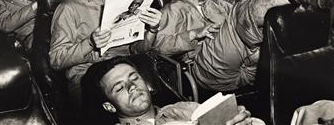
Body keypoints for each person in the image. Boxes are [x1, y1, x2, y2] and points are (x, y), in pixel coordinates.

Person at [153, 0, 333, 92]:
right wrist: (193, 34)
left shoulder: (216, 3)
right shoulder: (169, 11)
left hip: (248, 65)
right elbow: (159, 48)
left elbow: (247, 26)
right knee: (243, 10)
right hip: (210, 68)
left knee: (277, 20)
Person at [49, 0, 162, 105]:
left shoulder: (125, 2)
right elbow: (56, 60)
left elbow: (137, 49)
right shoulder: (69, 8)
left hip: (125, 67)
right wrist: (89, 43)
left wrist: (152, 29)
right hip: (89, 78)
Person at [83, 56, 264, 125]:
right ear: (109, 107)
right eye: (120, 87)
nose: (132, 87)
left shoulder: (183, 108)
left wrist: (241, 119)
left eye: (134, 78)